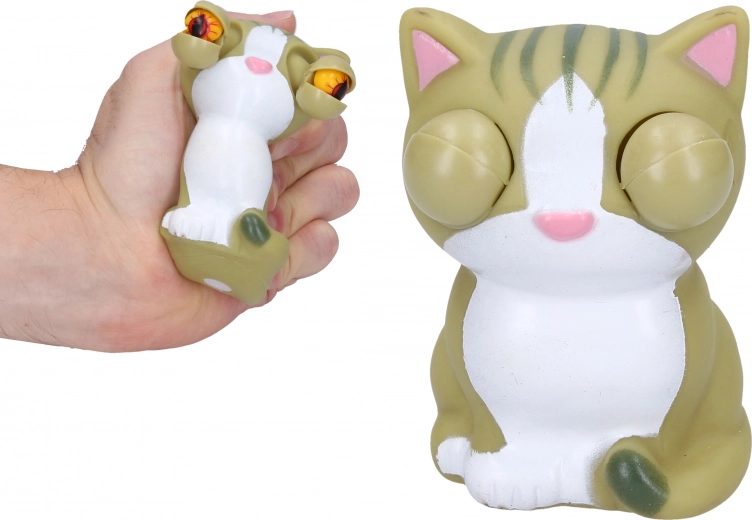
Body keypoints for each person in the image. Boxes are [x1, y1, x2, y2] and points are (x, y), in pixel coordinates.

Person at [0, 11, 359, 353]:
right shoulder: (202, 96)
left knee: (247, 202)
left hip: (242, 202)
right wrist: (99, 220)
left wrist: (97, 224)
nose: (258, 65)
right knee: (207, 195)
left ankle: (250, 235)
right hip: (191, 209)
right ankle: (229, 230)